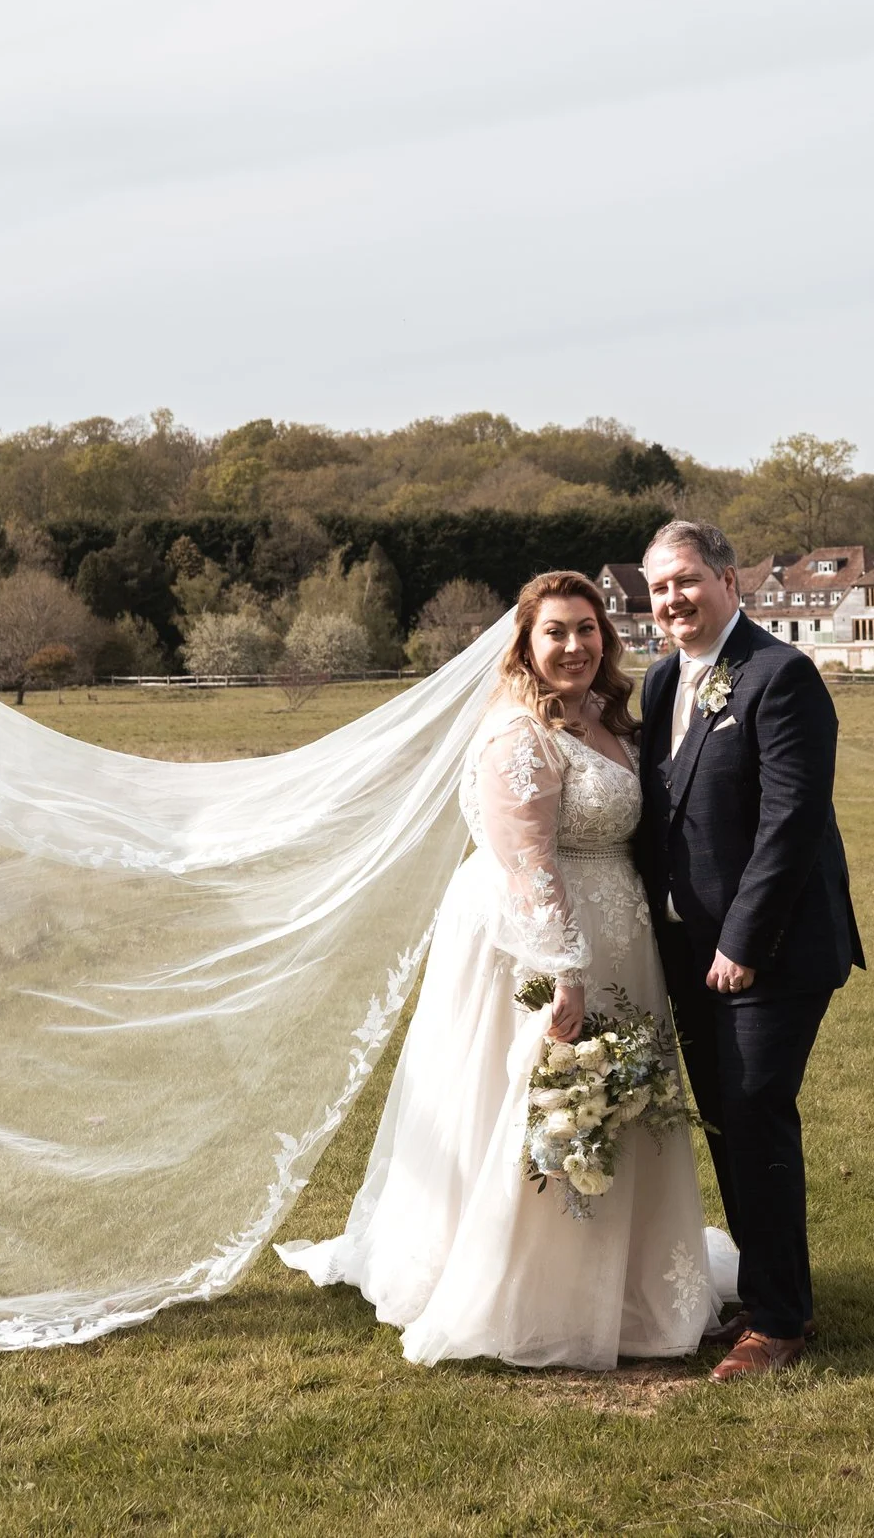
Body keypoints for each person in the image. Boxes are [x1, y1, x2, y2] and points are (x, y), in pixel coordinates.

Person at [276, 571, 734, 1367]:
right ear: (524, 643)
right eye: (555, 632)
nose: (574, 646)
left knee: (620, 1101)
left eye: (588, 629)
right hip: (544, 945)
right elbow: (526, 866)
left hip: (624, 937)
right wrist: (563, 971)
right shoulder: (515, 736)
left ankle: (626, 1280)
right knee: (548, 1100)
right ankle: (533, 1290)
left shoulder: (607, 720)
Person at [638, 520, 863, 1382]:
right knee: (729, 1122)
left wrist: (742, 939)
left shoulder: (782, 675)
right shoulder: (664, 681)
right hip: (689, 952)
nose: (673, 599)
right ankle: (770, 1291)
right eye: (659, 588)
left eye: (688, 579)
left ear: (730, 580)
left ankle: (779, 1323)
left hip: (769, 950)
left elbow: (793, 819)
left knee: (757, 1110)